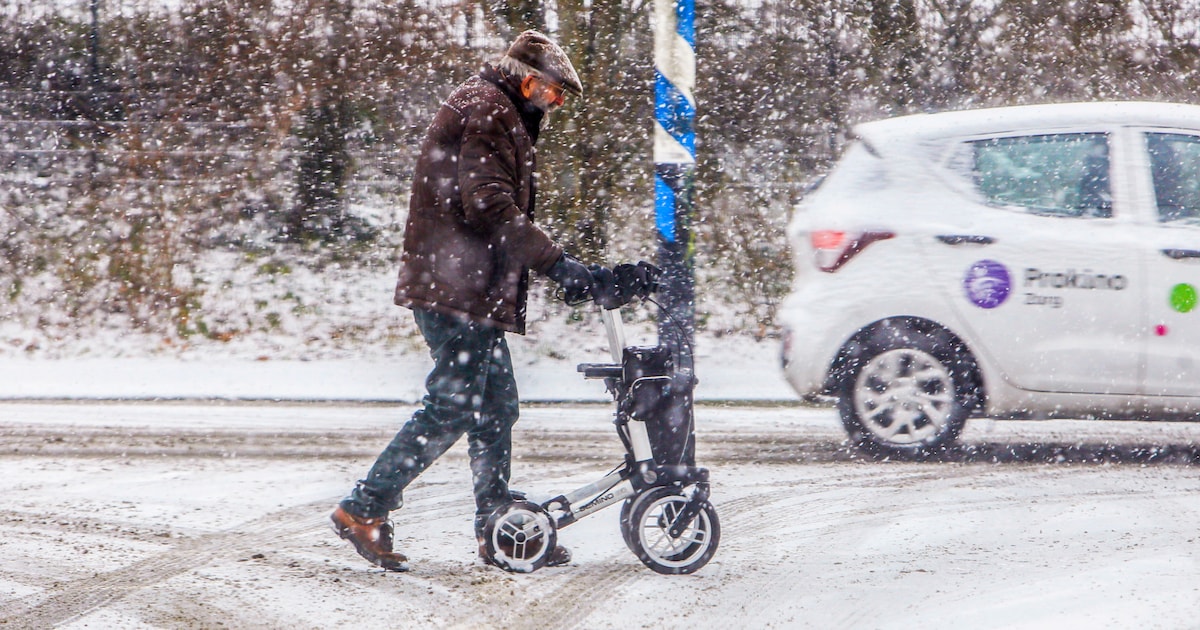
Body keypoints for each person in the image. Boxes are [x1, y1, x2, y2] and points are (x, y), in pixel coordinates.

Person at [330, 30, 604, 571]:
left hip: (462, 285)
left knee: (496, 407)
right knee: (454, 406)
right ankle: (365, 507)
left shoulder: (491, 106)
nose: (558, 103)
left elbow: (487, 203)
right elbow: (489, 205)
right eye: (556, 93)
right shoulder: (489, 110)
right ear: (532, 81)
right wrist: (554, 262)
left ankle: (496, 530)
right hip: (455, 288)